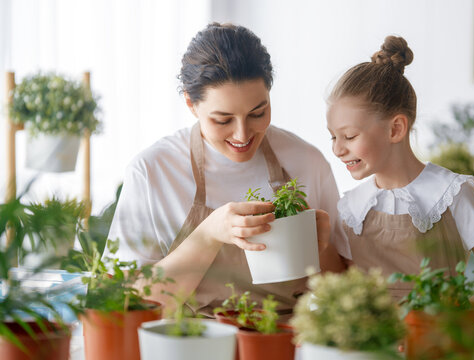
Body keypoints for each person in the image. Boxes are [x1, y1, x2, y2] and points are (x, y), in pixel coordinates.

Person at [106, 23, 349, 315]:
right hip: (191, 341)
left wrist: (319, 248)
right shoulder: (152, 172)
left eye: (258, 113)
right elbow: (127, 302)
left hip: (286, 341)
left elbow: (344, 290)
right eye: (223, 120)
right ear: (191, 104)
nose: (242, 134)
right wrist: (209, 234)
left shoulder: (307, 161)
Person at [325, 35, 474, 304]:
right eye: (333, 137)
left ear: (395, 129)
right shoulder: (351, 207)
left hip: (440, 344)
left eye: (350, 136)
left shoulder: (451, 194)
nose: (337, 149)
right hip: (374, 346)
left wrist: (453, 322)